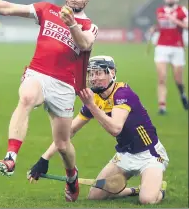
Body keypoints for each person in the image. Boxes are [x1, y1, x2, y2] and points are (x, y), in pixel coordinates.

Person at [0, 0, 98, 202]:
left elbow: (85, 44)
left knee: (62, 144)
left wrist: (71, 23)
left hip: (64, 85)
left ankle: (72, 175)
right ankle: (11, 157)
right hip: (38, 72)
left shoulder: (89, 26)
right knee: (27, 97)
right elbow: (10, 8)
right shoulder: (47, 10)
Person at [28, 55, 169, 204]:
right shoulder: (95, 98)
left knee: (147, 200)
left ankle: (159, 190)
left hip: (150, 154)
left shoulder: (123, 94)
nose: (94, 78)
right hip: (125, 154)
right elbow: (70, 131)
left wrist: (92, 106)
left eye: (98, 73)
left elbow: (116, 129)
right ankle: (136, 189)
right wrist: (44, 159)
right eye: (91, 73)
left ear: (112, 73)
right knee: (94, 196)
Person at [147, 0, 188, 115]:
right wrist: (154, 29)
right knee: (162, 78)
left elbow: (187, 25)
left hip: (177, 48)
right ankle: (162, 106)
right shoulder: (160, 11)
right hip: (162, 47)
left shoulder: (182, 11)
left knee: (178, 79)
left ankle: (182, 93)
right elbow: (160, 26)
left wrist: (175, 20)